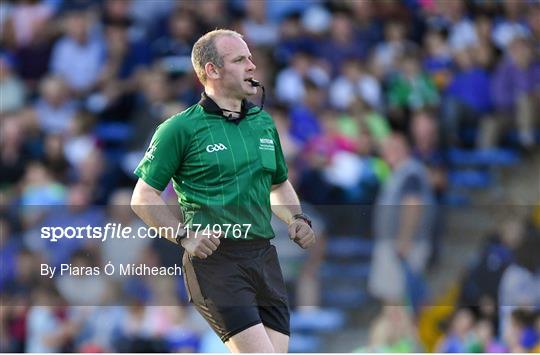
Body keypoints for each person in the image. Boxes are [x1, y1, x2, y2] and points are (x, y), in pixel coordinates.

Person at [130, 29, 316, 353]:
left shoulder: (263, 123)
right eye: (240, 59)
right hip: (216, 262)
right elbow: (142, 197)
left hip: (263, 256)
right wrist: (183, 235)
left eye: (250, 58)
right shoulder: (179, 128)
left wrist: (295, 218)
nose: (252, 66)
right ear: (212, 70)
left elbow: (279, 183)